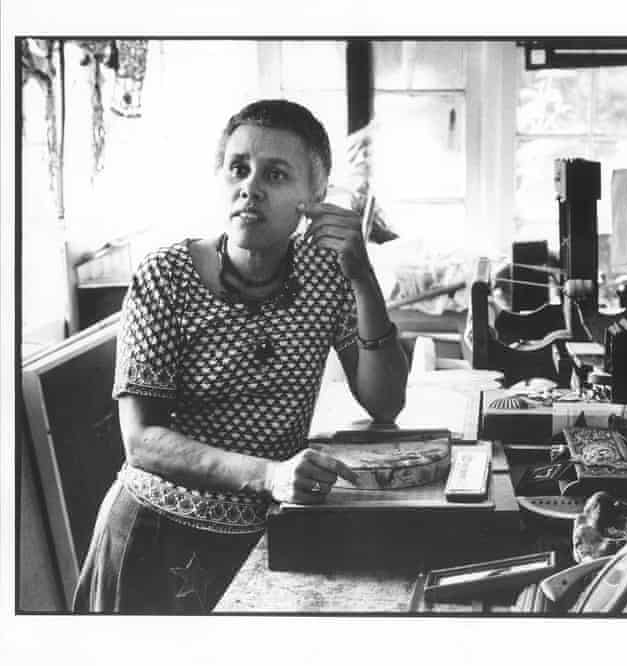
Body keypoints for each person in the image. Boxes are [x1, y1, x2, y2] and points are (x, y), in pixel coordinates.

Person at [73, 99, 409, 613]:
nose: (250, 186)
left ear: (314, 196)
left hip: (266, 536)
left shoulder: (329, 275)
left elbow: (384, 404)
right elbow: (141, 442)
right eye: (238, 168)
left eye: (276, 174)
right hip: (154, 536)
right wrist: (270, 475)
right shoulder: (165, 277)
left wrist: (363, 278)